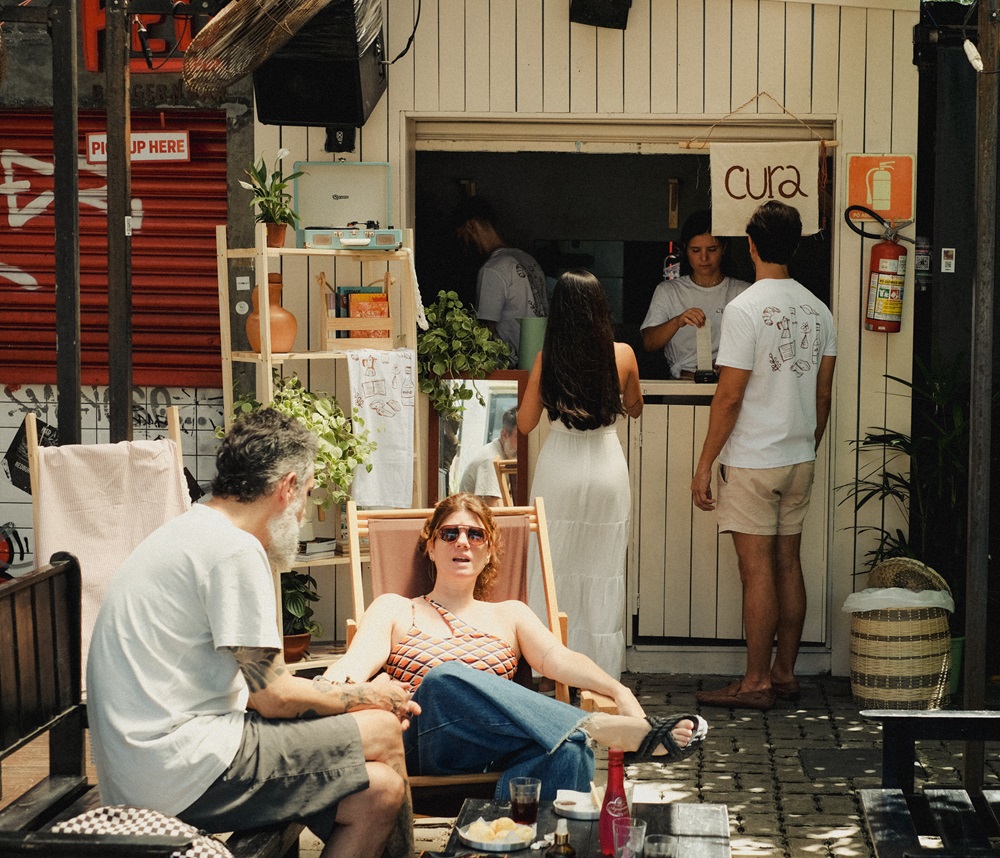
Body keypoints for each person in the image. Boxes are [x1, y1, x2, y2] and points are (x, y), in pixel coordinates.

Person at [86, 408, 421, 858]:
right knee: (381, 728)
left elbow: (265, 689)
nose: (303, 510)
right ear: (285, 487)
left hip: (153, 763)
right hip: (178, 769)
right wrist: (369, 696)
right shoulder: (233, 550)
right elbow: (274, 697)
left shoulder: (195, 528)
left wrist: (342, 697)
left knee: (377, 792)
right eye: (305, 493)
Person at [322, 492, 708, 800]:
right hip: (425, 752)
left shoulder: (511, 614)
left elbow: (559, 659)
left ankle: (529, 833)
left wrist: (618, 689)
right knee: (446, 679)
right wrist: (324, 687)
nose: (463, 542)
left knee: (573, 750)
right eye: (449, 533)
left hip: (502, 770)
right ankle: (597, 726)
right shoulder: (396, 608)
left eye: (476, 535)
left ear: (489, 551)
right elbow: (353, 665)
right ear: (431, 547)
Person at [690, 200, 837, 712]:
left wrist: (705, 461)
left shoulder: (745, 308)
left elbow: (729, 396)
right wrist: (806, 443)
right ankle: (784, 674)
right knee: (788, 564)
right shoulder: (819, 309)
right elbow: (823, 396)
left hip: (753, 458)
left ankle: (755, 682)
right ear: (794, 247)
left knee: (757, 572)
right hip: (799, 454)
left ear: (750, 246)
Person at [517, 269, 643, 679]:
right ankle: (600, 671)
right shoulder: (622, 353)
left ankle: (548, 665)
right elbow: (636, 406)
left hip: (560, 465)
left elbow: (524, 423)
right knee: (603, 567)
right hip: (607, 464)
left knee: (553, 565)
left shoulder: (546, 359)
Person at [640, 210, 751, 378]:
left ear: (724, 248)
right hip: (682, 383)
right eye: (696, 250)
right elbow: (649, 343)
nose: (704, 258)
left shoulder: (743, 292)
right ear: (686, 250)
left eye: (712, 249)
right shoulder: (669, 291)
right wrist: (677, 321)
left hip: (729, 384)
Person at [453, 196, 549, 366]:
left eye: (463, 238)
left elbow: (484, 334)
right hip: (541, 364)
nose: (464, 246)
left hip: (510, 370)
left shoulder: (493, 269)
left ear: (471, 226)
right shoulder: (529, 261)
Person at [458, 405, 518, 506]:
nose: (523, 444)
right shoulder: (490, 459)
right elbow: (495, 509)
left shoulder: (503, 453)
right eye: (518, 437)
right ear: (504, 434)